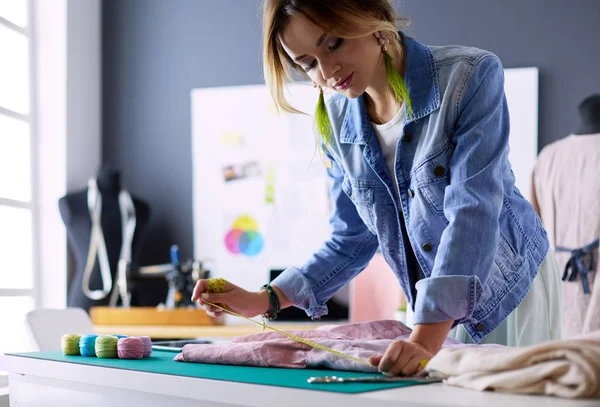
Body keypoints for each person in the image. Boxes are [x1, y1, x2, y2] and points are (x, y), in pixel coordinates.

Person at [192, 0, 561, 376]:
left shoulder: (469, 77)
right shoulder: (338, 120)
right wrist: (264, 299)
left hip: (507, 285)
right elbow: (350, 239)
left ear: (374, 18)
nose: (327, 71)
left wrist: (424, 338)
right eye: (307, 64)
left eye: (333, 43)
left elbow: (473, 210)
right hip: (432, 311)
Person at [531, 93, 600, 339]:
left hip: (558, 274)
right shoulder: (547, 156)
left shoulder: (548, 156)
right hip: (564, 273)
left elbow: (533, 223)